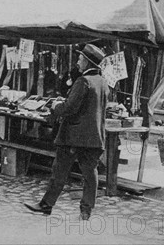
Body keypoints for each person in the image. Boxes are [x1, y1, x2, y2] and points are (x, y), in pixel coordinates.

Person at [24, 44, 109, 220]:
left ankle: (46, 205)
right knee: (90, 174)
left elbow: (70, 108)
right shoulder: (102, 82)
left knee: (59, 171)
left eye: (80, 59)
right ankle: (86, 211)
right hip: (93, 137)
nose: (78, 62)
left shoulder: (83, 82)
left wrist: (56, 106)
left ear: (87, 61)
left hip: (73, 136)